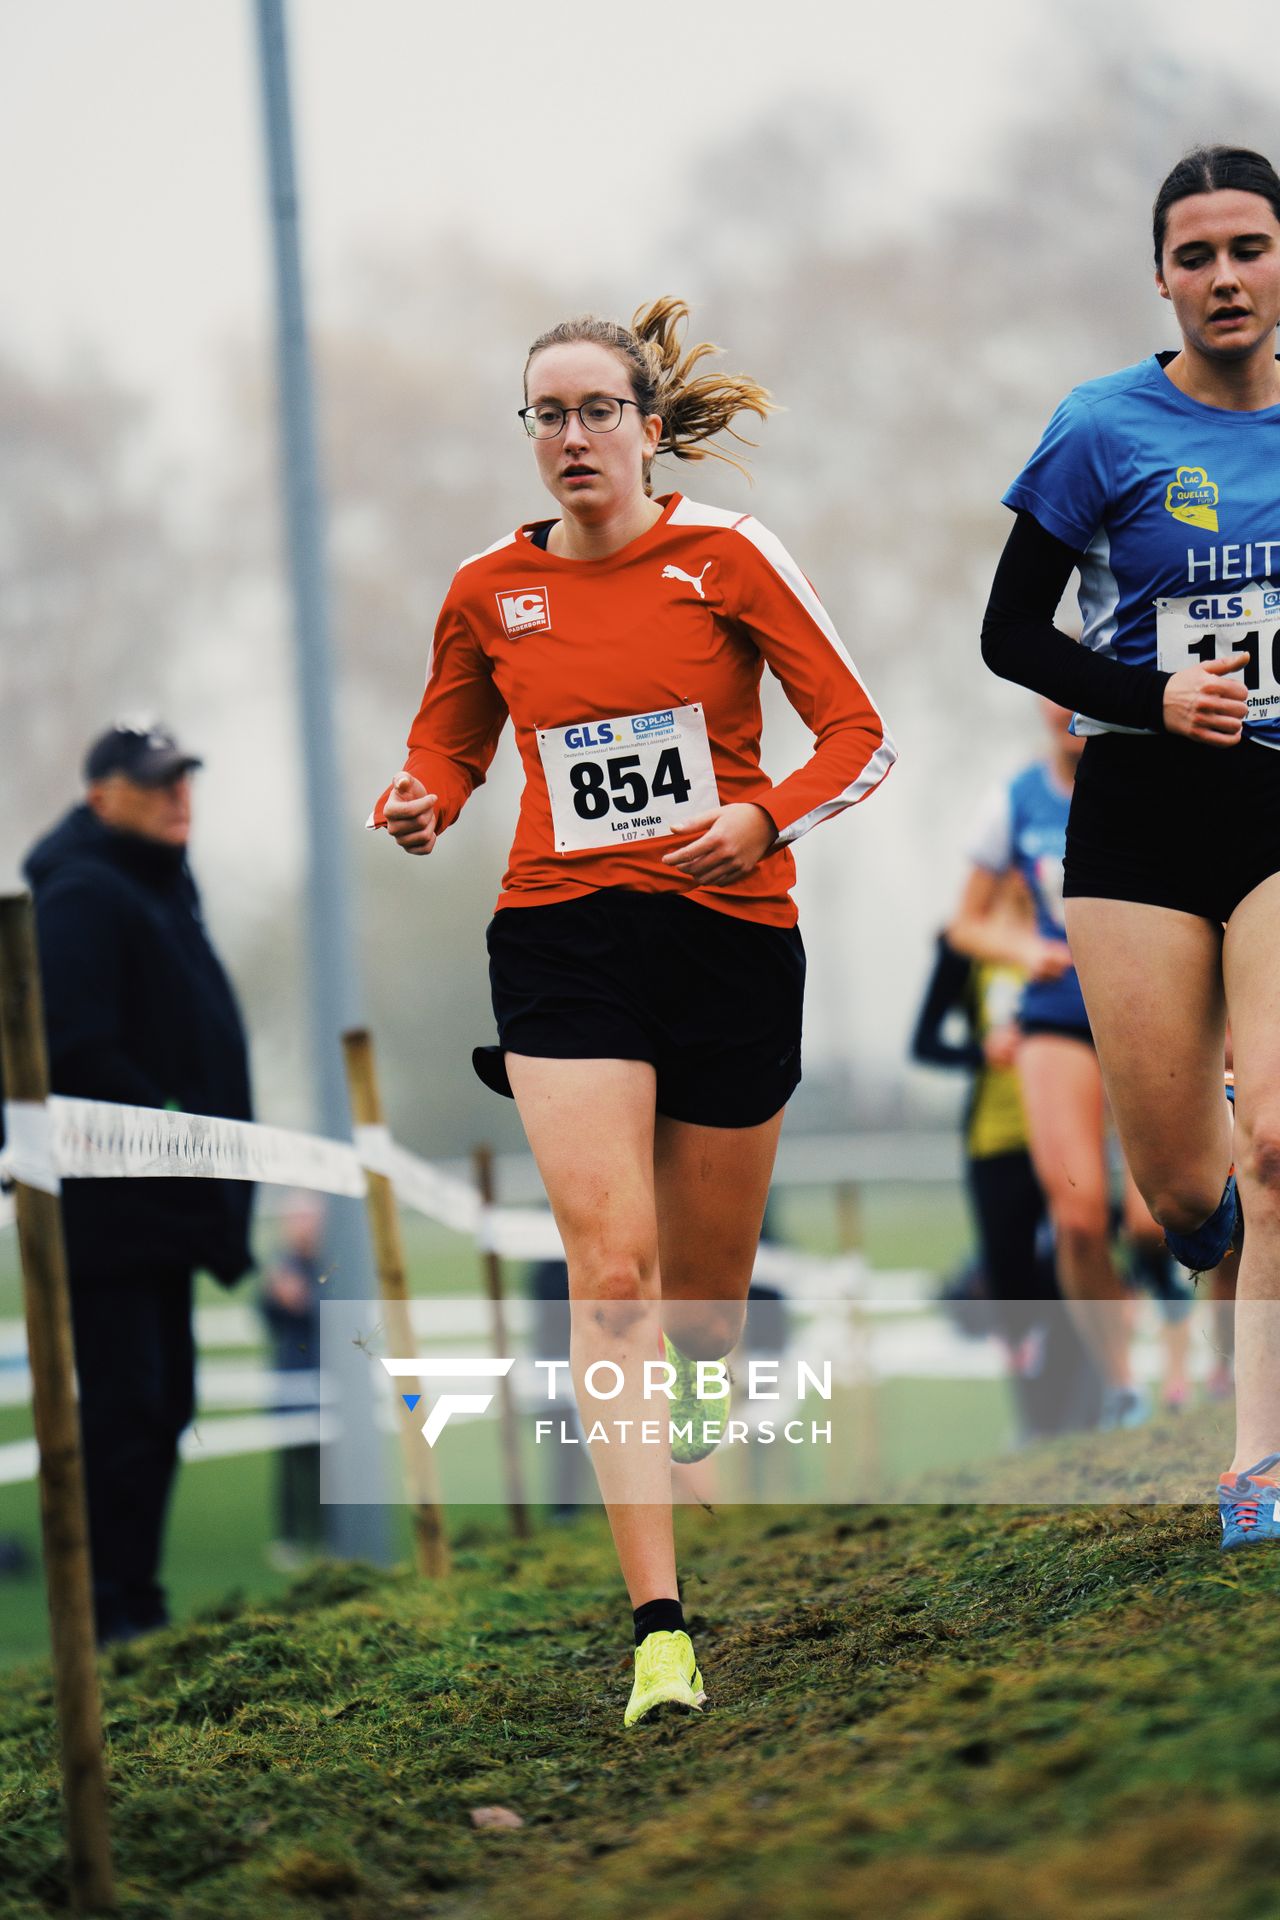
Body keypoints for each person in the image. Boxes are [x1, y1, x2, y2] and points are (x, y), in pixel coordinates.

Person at [372, 299, 895, 1723]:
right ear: (529, 438)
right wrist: (430, 795)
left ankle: (707, 1382)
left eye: (597, 409)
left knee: (707, 1315)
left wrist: (763, 818)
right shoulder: (487, 587)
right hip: (565, 936)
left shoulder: (727, 559)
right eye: (547, 414)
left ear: (650, 431)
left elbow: (860, 734)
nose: (572, 436)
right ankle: (660, 1627)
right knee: (612, 1279)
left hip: (728, 934)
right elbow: (452, 729)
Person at [980, 145, 1280, 1548]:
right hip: (1146, 812)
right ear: (1161, 276)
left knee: (1277, 1137)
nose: (1225, 277)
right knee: (1182, 1194)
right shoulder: (1101, 426)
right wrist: (1149, 695)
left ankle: (1257, 1469)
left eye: (1249, 248)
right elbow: (1011, 635)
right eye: (1196, 255)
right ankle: (1221, 1260)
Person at [22, 720, 254, 1640]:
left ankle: (136, 1603)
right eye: (156, 783)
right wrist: (169, 1121)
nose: (178, 796)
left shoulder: (157, 886)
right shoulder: (82, 894)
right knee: (128, 1409)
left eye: (183, 779)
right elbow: (71, 1048)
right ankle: (111, 1614)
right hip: (111, 1210)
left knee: (162, 1404)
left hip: (162, 1206)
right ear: (102, 795)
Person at [949, 701, 1187, 1429]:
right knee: (1079, 1220)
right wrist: (1026, 951)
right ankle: (1121, 1385)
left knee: (1160, 1220)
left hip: (1151, 1003)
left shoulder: (1160, 782)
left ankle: (1186, 1335)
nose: (1067, 708)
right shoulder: (1014, 802)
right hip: (1057, 1014)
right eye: (1056, 692)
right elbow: (967, 922)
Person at [911, 907, 1101, 1440]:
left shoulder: (1072, 927)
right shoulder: (966, 942)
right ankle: (1036, 1423)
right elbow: (924, 1042)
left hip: (1075, 1133)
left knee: (1077, 1265)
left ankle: (1085, 1411)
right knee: (1012, 1287)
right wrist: (981, 1050)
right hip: (996, 1140)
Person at [259, 1192, 324, 1570]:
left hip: (329, 1375)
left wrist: (306, 1303)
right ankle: (289, 1536)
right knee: (291, 1462)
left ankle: (328, 1533)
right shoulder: (279, 1267)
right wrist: (276, 1298)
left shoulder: (332, 1262)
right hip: (291, 1376)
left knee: (330, 1461)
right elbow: (266, 1316)